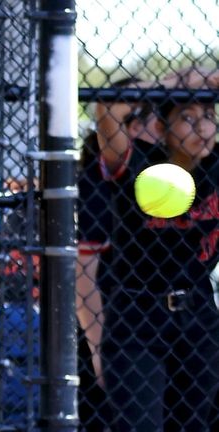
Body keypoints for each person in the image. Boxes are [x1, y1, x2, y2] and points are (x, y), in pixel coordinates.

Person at [97, 66, 219, 430]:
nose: (201, 128)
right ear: (163, 129)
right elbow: (108, 109)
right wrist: (174, 84)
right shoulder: (139, 163)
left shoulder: (217, 167)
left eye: (209, 117)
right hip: (137, 313)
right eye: (187, 117)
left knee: (193, 424)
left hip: (198, 312)